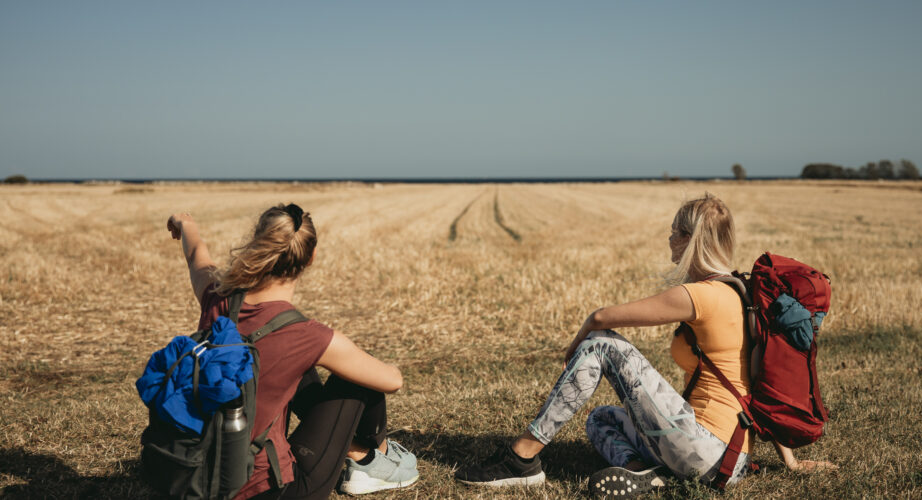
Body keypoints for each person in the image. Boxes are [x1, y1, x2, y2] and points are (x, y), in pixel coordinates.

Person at [454, 194, 835, 497]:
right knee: (601, 418)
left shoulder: (701, 295)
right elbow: (759, 384)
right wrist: (792, 463)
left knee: (602, 344)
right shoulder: (740, 292)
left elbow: (603, 317)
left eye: (675, 232)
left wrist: (579, 340)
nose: (669, 238)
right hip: (727, 457)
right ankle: (644, 473)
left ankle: (521, 459)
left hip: (706, 449)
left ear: (692, 240)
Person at [166, 203, 418, 500]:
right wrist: (345, 353)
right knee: (355, 375)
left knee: (297, 367)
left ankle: (361, 455)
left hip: (198, 479)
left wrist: (184, 223)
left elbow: (197, 255)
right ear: (310, 258)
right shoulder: (306, 335)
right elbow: (393, 381)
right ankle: (373, 461)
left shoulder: (216, 297)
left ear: (259, 243)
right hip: (274, 491)